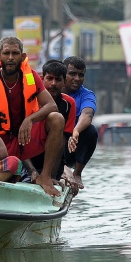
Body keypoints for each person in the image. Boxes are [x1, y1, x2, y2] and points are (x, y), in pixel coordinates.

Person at [0, 36, 64, 197]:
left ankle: (45, 177)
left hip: (25, 138)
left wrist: (30, 119)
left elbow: (52, 106)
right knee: (8, 168)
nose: (10, 58)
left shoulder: (31, 77)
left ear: (22, 57)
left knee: (57, 118)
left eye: (15, 53)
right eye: (6, 53)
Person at [27, 60, 82, 192]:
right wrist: (32, 172)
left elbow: (61, 142)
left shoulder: (69, 103)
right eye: (49, 78)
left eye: (58, 80)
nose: (53, 84)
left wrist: (51, 176)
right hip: (28, 154)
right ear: (42, 79)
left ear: (64, 83)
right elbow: (21, 139)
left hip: (50, 157)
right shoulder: (30, 99)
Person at [62, 56, 98, 188]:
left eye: (81, 75)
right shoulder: (53, 90)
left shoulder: (87, 94)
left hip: (72, 145)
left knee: (91, 131)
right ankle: (61, 167)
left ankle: (77, 173)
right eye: (72, 74)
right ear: (63, 74)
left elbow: (87, 113)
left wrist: (76, 131)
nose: (77, 78)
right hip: (51, 143)